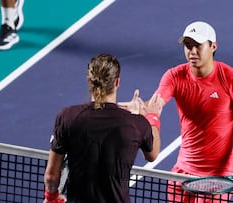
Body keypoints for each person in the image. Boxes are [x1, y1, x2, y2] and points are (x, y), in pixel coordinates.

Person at [120, 21, 233, 202]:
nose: (192, 51)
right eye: (188, 46)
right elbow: (156, 104)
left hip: (218, 178)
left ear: (213, 46)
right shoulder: (174, 76)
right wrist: (142, 109)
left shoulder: (232, 79)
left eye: (198, 45)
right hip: (182, 175)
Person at [43, 53, 163, 203]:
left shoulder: (67, 117)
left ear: (89, 80)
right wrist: (151, 117)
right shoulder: (136, 124)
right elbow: (152, 155)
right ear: (117, 82)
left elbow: (51, 176)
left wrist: (51, 197)